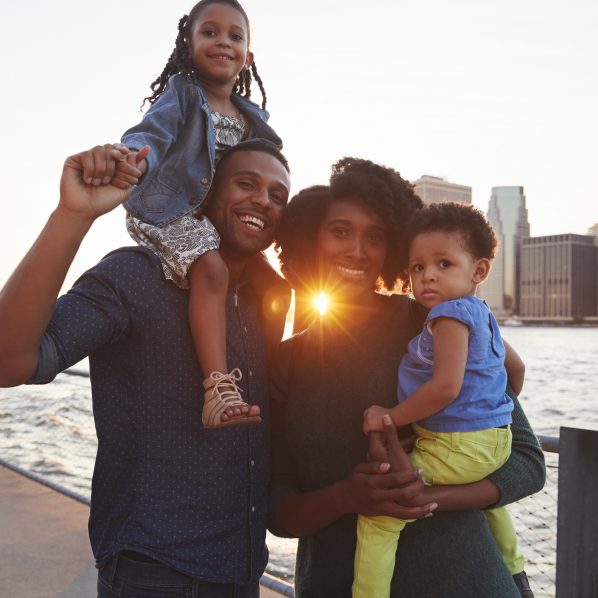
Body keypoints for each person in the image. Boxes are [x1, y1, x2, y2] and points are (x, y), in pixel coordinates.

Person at [0, 139, 291, 597]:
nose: (263, 200)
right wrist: (72, 215)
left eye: (278, 195)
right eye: (247, 184)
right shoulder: (135, 275)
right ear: (206, 192)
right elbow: (10, 363)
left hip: (242, 570)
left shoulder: (265, 301)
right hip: (153, 571)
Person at [269, 158, 545, 598]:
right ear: (308, 238)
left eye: (376, 237)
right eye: (340, 231)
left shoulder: (437, 325)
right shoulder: (284, 362)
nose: (357, 251)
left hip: (467, 582)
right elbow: (277, 512)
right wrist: (348, 496)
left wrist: (421, 497)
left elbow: (527, 463)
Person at [118, 0, 287, 428]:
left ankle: (265, 378)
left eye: (235, 36)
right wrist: (131, 159)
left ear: (248, 57)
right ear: (188, 44)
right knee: (212, 270)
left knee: (275, 287)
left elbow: (272, 169)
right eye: (209, 33)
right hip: (170, 210)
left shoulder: (255, 121)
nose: (222, 42)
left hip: (219, 223)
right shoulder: (182, 94)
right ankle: (217, 386)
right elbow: (150, 135)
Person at [357, 202, 530, 598]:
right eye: (417, 268)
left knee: (378, 518)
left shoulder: (448, 317)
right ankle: (515, 570)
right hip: (493, 440)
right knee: (488, 496)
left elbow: (444, 388)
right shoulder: (481, 314)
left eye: (443, 264)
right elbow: (515, 370)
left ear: (479, 271)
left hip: (458, 446)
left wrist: (390, 417)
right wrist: (490, 408)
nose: (427, 276)